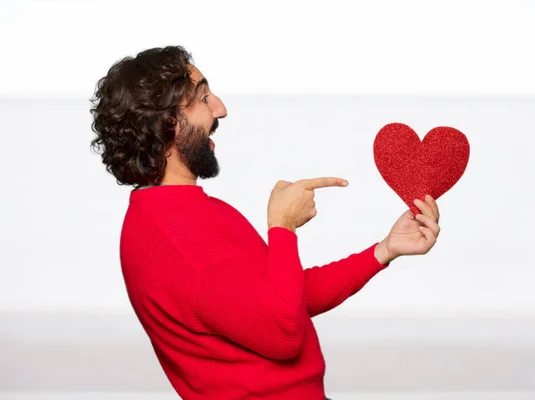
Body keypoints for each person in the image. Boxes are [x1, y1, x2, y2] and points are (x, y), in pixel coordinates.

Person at [89, 45, 441, 400]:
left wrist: (383, 251)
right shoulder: (181, 241)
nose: (221, 108)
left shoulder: (172, 212)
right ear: (165, 123)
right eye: (203, 97)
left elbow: (278, 297)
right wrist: (282, 228)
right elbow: (282, 332)